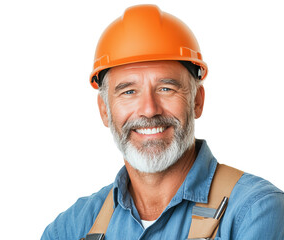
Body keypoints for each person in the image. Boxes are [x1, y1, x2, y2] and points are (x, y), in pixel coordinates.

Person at [41, 4, 284, 240]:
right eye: (128, 92)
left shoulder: (255, 212)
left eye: (166, 88)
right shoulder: (71, 228)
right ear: (104, 110)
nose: (149, 110)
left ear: (197, 101)